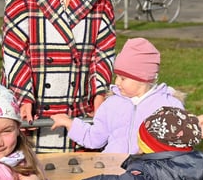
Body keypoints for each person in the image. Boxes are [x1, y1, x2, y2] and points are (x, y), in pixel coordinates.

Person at [2, 0, 116, 153]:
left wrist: (100, 92)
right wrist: (23, 97)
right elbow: (14, 48)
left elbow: (104, 49)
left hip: (80, 111)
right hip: (35, 110)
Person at [49, 37, 182, 154]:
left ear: (143, 78)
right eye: (117, 76)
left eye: (123, 78)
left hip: (149, 174)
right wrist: (70, 123)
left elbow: (178, 145)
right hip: (113, 170)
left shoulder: (169, 105)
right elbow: (95, 138)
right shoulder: (112, 104)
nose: (116, 82)